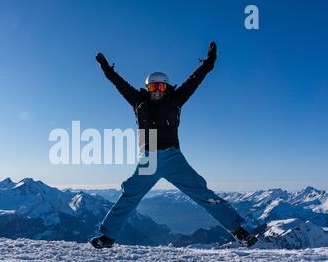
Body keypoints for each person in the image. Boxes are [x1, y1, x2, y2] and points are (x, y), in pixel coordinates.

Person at [90, 42, 257, 249]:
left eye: (161, 86)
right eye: (153, 86)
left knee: (202, 193)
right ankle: (107, 238)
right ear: (147, 88)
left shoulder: (176, 100)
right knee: (129, 196)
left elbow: (195, 80)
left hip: (173, 157)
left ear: (166, 87)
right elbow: (118, 83)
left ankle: (239, 231)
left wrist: (209, 62)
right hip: (148, 158)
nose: (157, 91)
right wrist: (106, 68)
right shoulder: (137, 101)